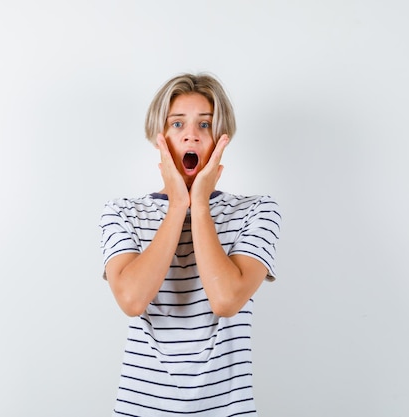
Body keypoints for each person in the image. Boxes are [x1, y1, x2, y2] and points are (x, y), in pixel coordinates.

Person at [99, 72, 281, 416]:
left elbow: (226, 300)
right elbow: (132, 299)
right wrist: (178, 205)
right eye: (178, 124)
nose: (191, 136)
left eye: (205, 125)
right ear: (160, 138)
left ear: (221, 139)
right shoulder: (122, 212)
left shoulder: (256, 211)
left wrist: (200, 204)